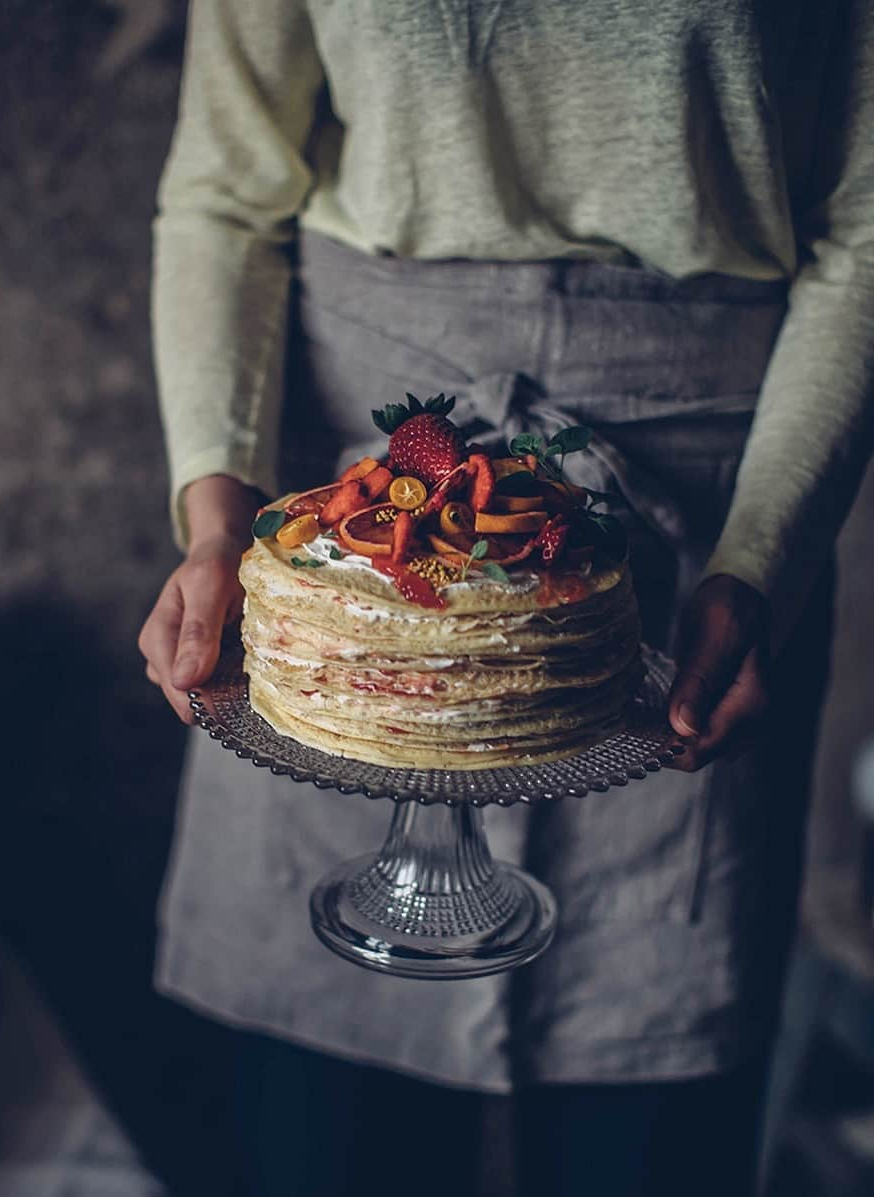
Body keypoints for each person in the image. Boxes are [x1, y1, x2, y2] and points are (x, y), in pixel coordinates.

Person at [139, 3, 874, 1193]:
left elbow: (867, 223)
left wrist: (759, 567)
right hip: (357, 510)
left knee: (648, 1140)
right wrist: (222, 529)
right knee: (317, 1145)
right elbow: (225, 192)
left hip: (707, 512)